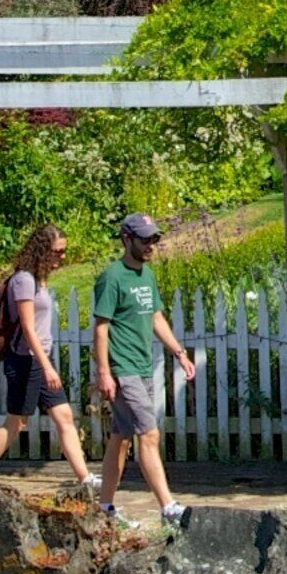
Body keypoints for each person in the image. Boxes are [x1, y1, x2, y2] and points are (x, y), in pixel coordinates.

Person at [0, 221, 99, 490]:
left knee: (64, 416)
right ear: (42, 250)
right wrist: (47, 367)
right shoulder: (24, 280)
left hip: (40, 359)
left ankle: (84, 478)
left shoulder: (37, 280)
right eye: (57, 251)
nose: (62, 257)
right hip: (26, 361)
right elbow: (28, 328)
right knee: (15, 422)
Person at [91, 213, 200, 523]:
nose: (152, 245)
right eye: (146, 240)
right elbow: (101, 328)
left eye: (155, 239)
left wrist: (179, 352)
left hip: (141, 365)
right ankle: (168, 508)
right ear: (127, 239)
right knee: (148, 434)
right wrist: (104, 372)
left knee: (121, 436)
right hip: (122, 367)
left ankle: (104, 508)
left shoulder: (147, 276)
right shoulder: (112, 278)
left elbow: (155, 317)